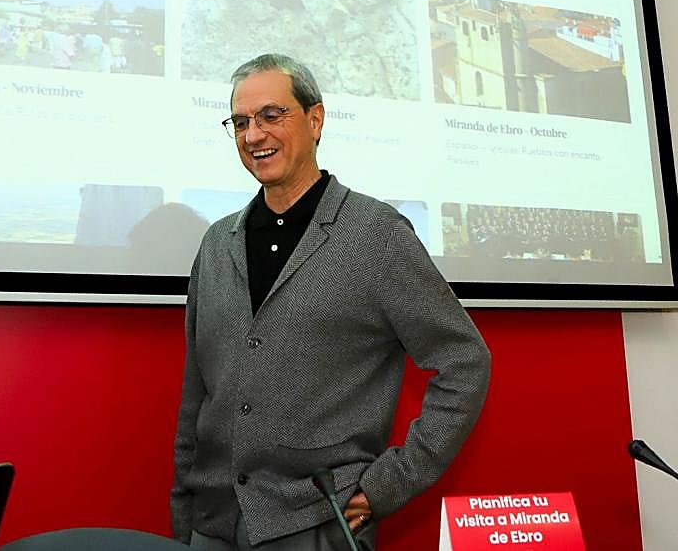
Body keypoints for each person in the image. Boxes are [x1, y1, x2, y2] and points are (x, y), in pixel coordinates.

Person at [171, 54, 490, 550]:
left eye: (271, 115)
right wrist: (183, 512)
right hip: (212, 524)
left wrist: (388, 485)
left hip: (317, 523)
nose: (254, 135)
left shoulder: (376, 236)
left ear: (315, 119)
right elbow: (197, 392)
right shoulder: (217, 245)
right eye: (241, 122)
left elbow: (464, 361)